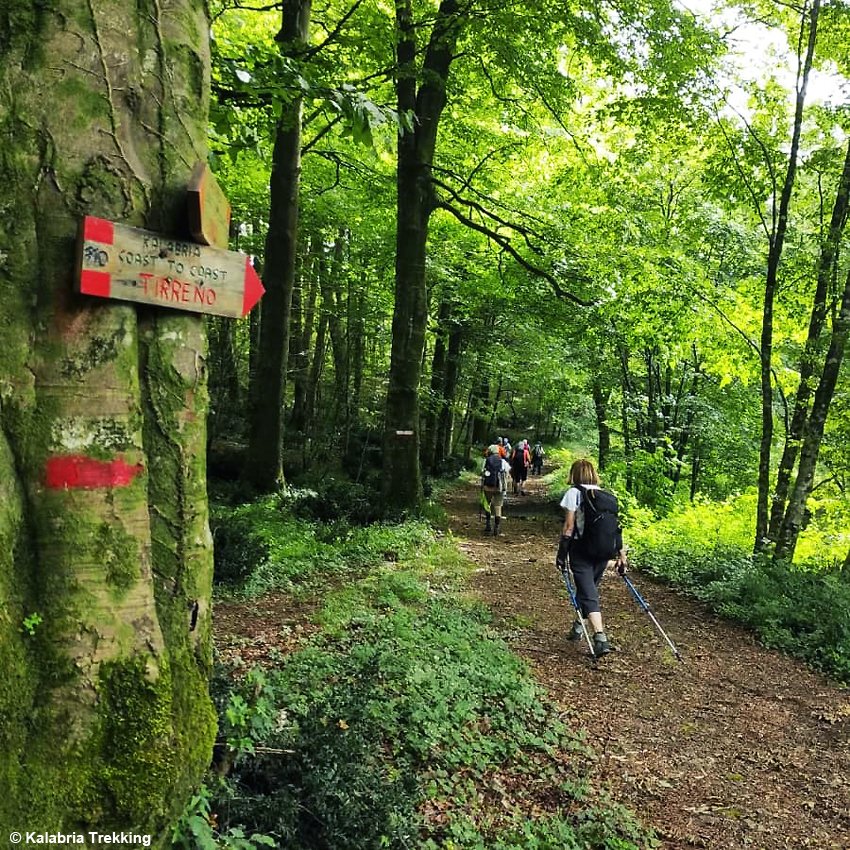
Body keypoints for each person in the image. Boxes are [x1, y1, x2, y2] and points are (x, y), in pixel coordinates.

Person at [556, 458, 628, 658]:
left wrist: (562, 553)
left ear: (575, 474)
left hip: (581, 550)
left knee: (588, 593)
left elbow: (569, 526)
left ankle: (600, 638)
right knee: (587, 589)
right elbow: (616, 529)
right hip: (604, 551)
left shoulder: (574, 493)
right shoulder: (606, 496)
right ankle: (578, 627)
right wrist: (621, 555)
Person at [481, 444, 510, 536]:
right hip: (499, 487)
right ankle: (496, 527)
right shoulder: (503, 462)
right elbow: (507, 474)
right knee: (498, 506)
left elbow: (482, 472)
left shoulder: (486, 461)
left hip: (487, 487)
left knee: (487, 504)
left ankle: (488, 524)